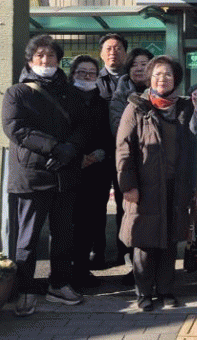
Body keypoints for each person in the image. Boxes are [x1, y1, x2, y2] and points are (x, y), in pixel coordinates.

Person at [2, 35, 90, 316]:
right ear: (29, 60)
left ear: (59, 60)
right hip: (32, 175)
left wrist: (71, 149)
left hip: (65, 174)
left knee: (63, 235)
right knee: (27, 239)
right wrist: (54, 147)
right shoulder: (17, 92)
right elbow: (15, 128)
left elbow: (84, 126)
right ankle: (25, 290)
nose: (45, 60)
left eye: (51, 55)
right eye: (39, 55)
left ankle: (59, 284)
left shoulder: (71, 93)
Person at [116, 56, 196, 312]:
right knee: (144, 241)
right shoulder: (136, 107)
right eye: (157, 74)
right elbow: (123, 147)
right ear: (150, 78)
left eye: (168, 74)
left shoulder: (185, 107)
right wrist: (127, 184)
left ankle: (166, 290)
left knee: (170, 241)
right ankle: (144, 292)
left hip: (176, 185)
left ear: (176, 79)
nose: (163, 79)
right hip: (145, 186)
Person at [68, 55, 112, 290]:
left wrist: (96, 156)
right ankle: (63, 273)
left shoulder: (103, 103)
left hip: (96, 172)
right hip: (69, 170)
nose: (86, 77)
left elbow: (108, 134)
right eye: (81, 72)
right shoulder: (63, 99)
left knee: (89, 224)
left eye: (91, 73)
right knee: (67, 225)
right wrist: (78, 158)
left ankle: (82, 271)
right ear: (73, 73)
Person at [95, 33, 129, 270]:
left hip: (125, 153)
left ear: (125, 53)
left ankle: (124, 251)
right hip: (100, 153)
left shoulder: (132, 79)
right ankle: (97, 251)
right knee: (96, 205)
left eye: (118, 48)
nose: (113, 52)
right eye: (108, 48)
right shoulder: (94, 79)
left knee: (125, 204)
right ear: (101, 53)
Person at [109, 48, 154, 135]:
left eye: (144, 64)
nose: (139, 68)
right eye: (134, 65)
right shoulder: (120, 95)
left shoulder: (160, 92)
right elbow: (118, 127)